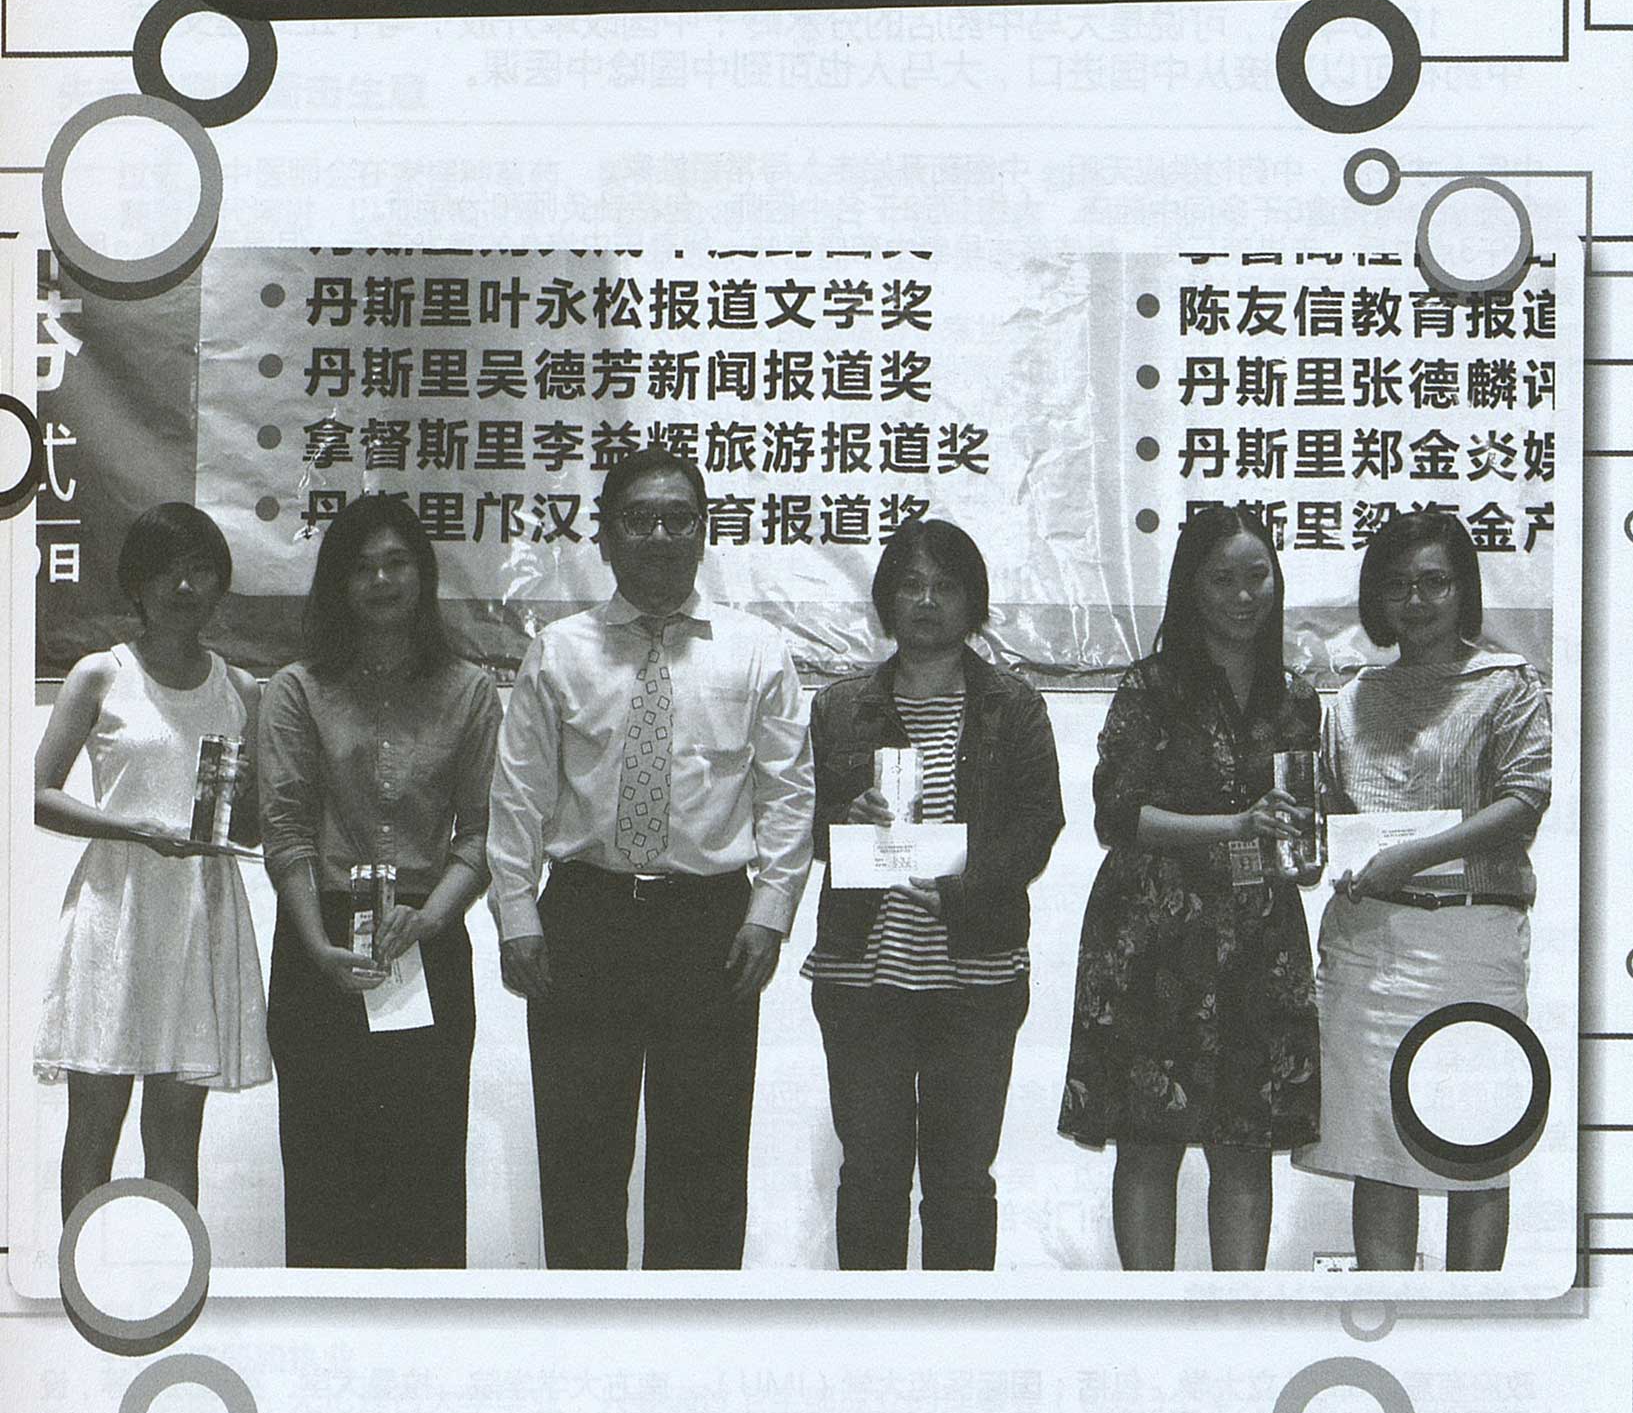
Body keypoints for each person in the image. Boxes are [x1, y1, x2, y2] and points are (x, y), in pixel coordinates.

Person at [488, 447, 813, 1270]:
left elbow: (788, 795)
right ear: (604, 537)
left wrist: (771, 914)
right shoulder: (558, 652)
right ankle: (583, 1343)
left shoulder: (757, 650)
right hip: (585, 919)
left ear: (704, 533)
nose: (660, 536)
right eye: (639, 520)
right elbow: (518, 796)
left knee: (703, 1169)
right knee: (580, 1164)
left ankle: (694, 1346)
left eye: (678, 519)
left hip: (711, 927)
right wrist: (516, 914)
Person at [1058, 505, 1320, 1270]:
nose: (1243, 595)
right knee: (1147, 1140)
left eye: (1257, 576)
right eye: (1222, 579)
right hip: (1153, 936)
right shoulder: (1151, 687)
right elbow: (1118, 815)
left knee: (1246, 1143)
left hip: (1259, 934)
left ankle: (1239, 1320)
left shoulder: (1296, 697)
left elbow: (1302, 826)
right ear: (1190, 588)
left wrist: (1308, 847)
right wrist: (1236, 824)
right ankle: (1150, 1320)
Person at [1294, 508, 1551, 1272]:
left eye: (1435, 582)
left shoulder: (1508, 685)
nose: (1417, 600)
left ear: (1463, 589)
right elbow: (1332, 817)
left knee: (1479, 1143)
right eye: (1398, 585)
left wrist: (1411, 857)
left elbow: (1524, 801)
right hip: (1371, 947)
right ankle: (1391, 1311)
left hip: (1471, 944)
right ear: (1376, 597)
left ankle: (1471, 1327)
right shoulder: (1351, 698)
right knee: (1378, 1152)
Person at [804, 519, 1064, 1270]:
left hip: (975, 976)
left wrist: (960, 887)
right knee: (870, 1178)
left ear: (973, 603)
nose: (926, 601)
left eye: (945, 587)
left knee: (961, 1184)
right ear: (887, 599)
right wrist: (843, 820)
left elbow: (1037, 825)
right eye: (911, 585)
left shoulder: (1012, 705)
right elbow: (799, 824)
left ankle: (962, 1337)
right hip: (863, 975)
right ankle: (871, 1338)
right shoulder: (841, 706)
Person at [258, 494, 498, 1269]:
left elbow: (481, 833)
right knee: (324, 1174)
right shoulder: (296, 689)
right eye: (362, 568)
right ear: (339, 585)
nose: (382, 580)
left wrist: (431, 918)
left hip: (426, 937)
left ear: (424, 576)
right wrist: (317, 945)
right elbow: (286, 832)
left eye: (398, 563)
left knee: (425, 1173)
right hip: (320, 943)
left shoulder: (469, 690)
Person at [35, 502, 270, 1222]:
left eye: (201, 570)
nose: (184, 587)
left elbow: (253, 826)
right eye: (167, 571)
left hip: (200, 912)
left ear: (220, 584)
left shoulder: (241, 690)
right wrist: (132, 827)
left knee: (175, 1133)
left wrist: (248, 800)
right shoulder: (99, 674)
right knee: (94, 1125)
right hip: (118, 909)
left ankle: (171, 1281)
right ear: (137, 583)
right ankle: (80, 1279)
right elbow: (36, 795)